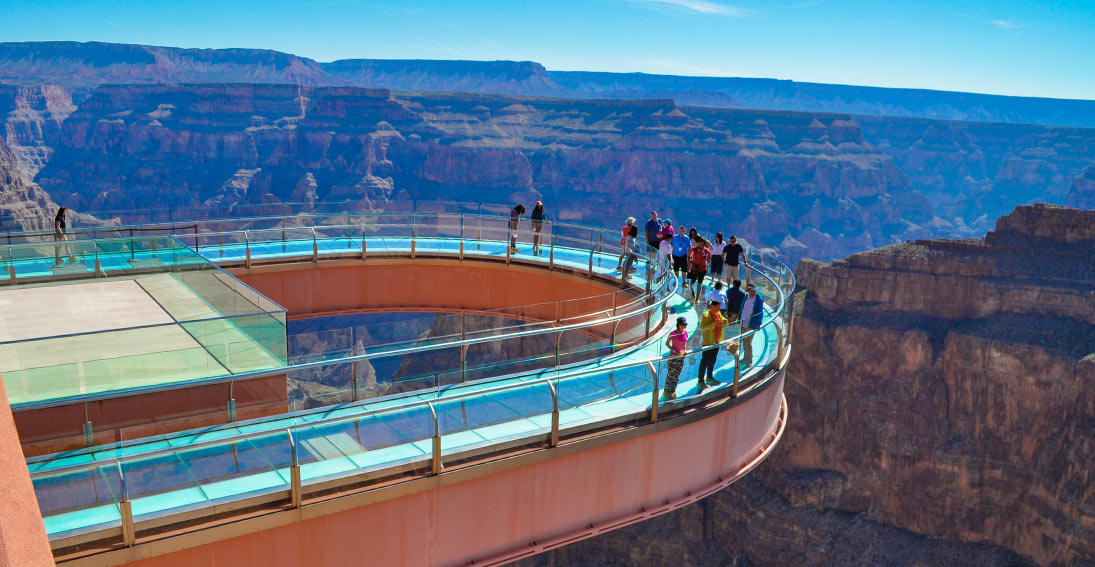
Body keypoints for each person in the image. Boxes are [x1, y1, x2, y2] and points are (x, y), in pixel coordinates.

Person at [697, 300, 727, 390]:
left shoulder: (718, 313)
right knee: (704, 361)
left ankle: (709, 376)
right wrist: (713, 323)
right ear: (712, 306)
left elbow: (721, 323)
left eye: (719, 307)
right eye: (717, 307)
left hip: (717, 341)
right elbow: (702, 327)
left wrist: (725, 322)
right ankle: (700, 380)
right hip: (708, 342)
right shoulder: (706, 315)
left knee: (713, 360)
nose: (719, 309)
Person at [662, 316, 689, 400]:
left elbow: (685, 342)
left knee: (677, 374)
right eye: (681, 324)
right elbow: (667, 343)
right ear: (678, 325)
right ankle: (666, 391)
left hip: (681, 357)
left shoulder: (685, 332)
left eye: (684, 325)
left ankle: (673, 390)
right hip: (673, 357)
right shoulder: (673, 333)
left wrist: (685, 350)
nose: (683, 326)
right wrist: (674, 351)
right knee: (671, 374)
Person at [740, 283, 765, 367]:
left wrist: (758, 323)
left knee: (748, 342)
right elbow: (742, 308)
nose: (754, 292)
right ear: (748, 291)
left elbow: (760, 312)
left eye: (755, 291)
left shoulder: (758, 299)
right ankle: (745, 357)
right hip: (743, 322)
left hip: (751, 324)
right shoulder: (745, 297)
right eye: (752, 291)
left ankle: (750, 360)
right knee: (744, 341)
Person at [687, 235, 711, 299]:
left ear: (703, 243)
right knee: (692, 283)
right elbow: (689, 257)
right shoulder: (693, 249)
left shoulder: (707, 251)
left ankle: (697, 298)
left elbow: (708, 261)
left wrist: (704, 256)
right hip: (694, 268)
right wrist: (690, 265)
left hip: (702, 269)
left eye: (702, 242)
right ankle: (693, 291)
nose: (700, 244)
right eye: (699, 242)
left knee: (699, 283)